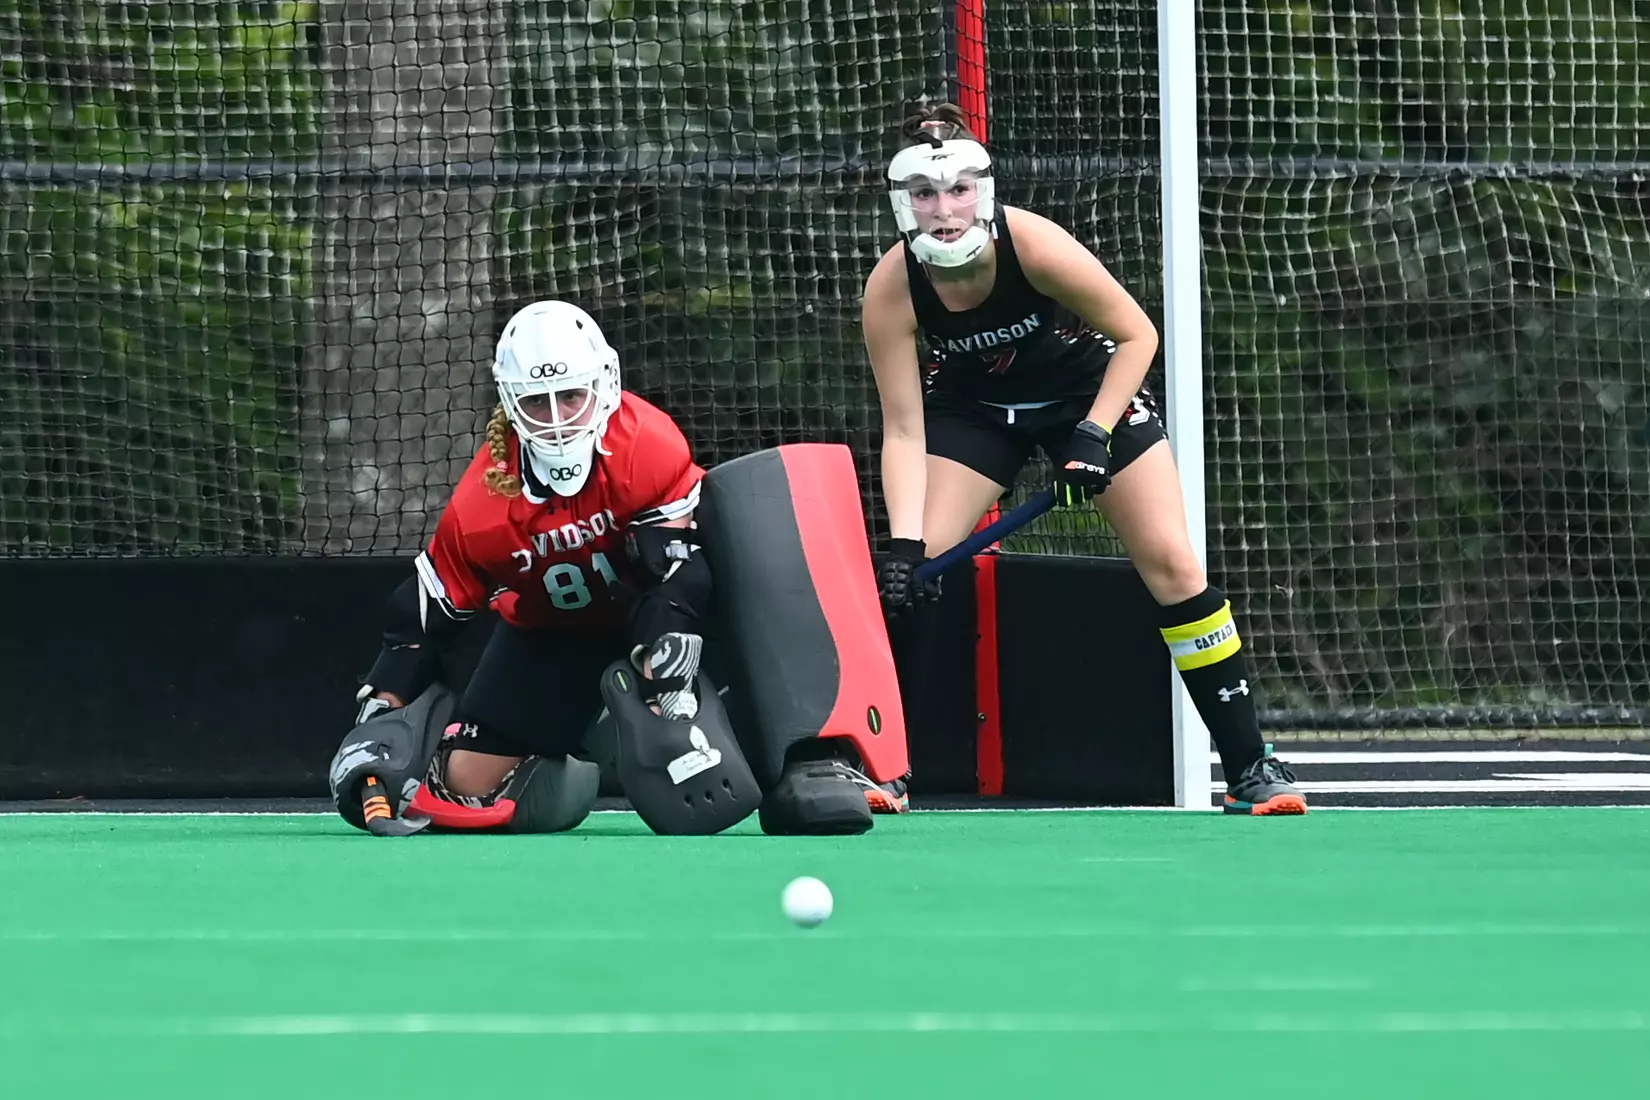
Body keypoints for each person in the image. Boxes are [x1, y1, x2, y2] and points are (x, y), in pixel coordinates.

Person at [860, 104, 1306, 815]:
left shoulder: (1033, 245)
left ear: (986, 189)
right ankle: (888, 771)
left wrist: (1093, 435)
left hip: (1084, 395)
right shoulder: (892, 287)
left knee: (1174, 566)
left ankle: (1253, 765)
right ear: (901, 202)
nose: (944, 211)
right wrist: (907, 545)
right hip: (975, 412)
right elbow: (906, 429)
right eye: (924, 194)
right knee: (917, 578)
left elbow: (1137, 335)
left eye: (960, 190)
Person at [326, 299, 898, 838]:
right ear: (509, 402)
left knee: (759, 547)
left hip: (662, 612)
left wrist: (664, 652)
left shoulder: (645, 444)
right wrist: (378, 715)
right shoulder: (481, 507)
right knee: (464, 787)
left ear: (605, 384)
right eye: (536, 402)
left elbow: (677, 570)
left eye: (571, 396)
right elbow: (422, 619)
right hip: (556, 634)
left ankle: (824, 755)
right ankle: (585, 746)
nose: (556, 421)